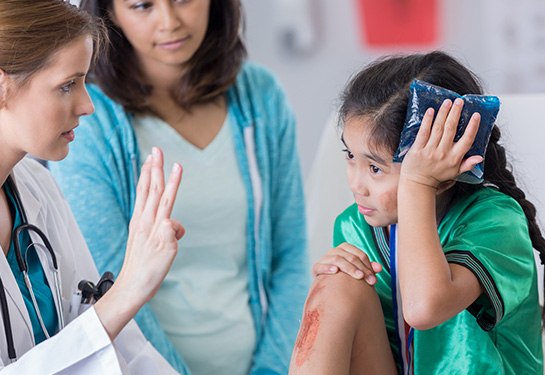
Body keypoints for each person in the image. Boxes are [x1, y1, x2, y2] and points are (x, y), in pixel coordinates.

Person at [49, 0, 310, 374]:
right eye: (142, 6)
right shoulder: (87, 120)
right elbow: (108, 287)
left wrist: (271, 369)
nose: (169, 21)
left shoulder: (261, 97)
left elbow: (292, 257)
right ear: (109, 12)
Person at [289, 51, 545, 374]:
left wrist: (417, 182)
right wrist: (329, 286)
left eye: (374, 168)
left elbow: (424, 308)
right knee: (336, 284)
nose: (356, 183)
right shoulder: (356, 225)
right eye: (349, 155)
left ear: (443, 174)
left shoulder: (497, 222)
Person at [0, 0, 188, 373]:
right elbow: (102, 321)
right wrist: (129, 289)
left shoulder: (37, 187)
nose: (87, 105)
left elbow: (120, 349)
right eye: (67, 85)